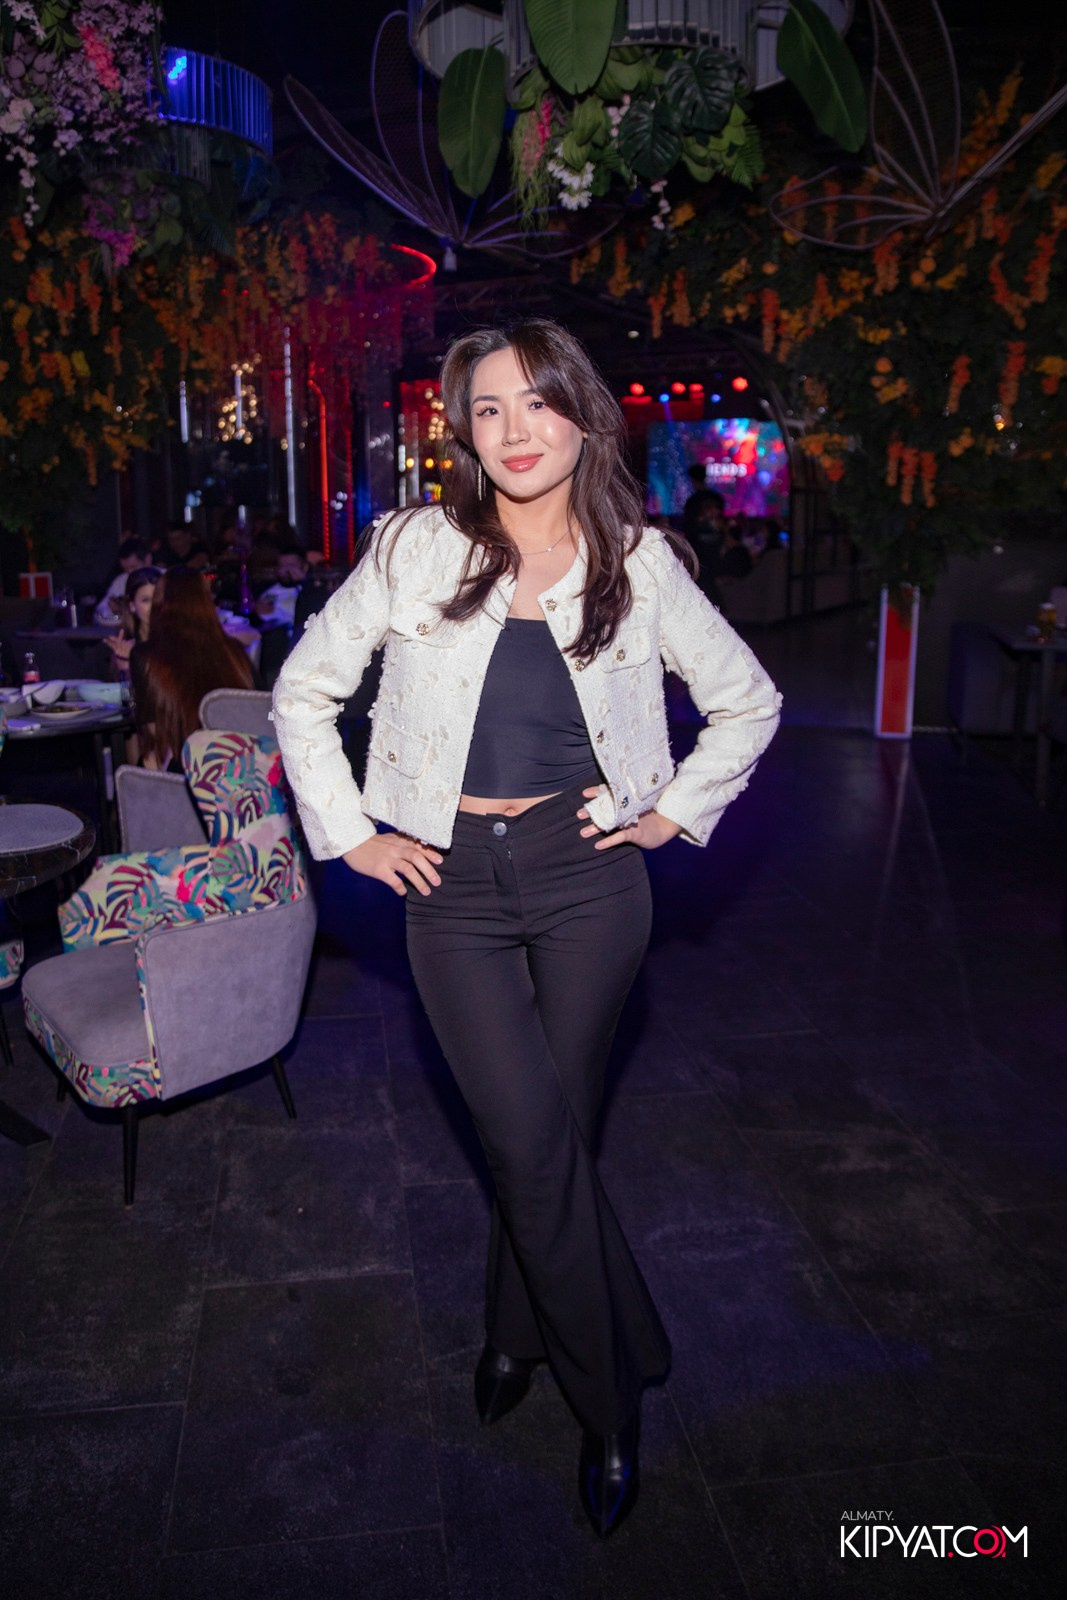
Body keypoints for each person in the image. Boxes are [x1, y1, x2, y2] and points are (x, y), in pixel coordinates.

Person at [272, 320, 780, 1538]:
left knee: (547, 1133)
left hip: (588, 881)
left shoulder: (637, 561)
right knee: (530, 1134)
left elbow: (746, 701)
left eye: (537, 403)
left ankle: (515, 1332)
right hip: (448, 886)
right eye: (488, 408)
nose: (513, 430)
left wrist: (667, 815)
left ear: (582, 417)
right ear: (463, 429)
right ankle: (612, 1392)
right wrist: (349, 835)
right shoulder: (413, 547)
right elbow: (302, 690)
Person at [131, 566, 254, 771]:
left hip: (189, 767)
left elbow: (154, 728)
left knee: (144, 762)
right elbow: (259, 704)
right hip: (243, 763)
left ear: (161, 603)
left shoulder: (146, 655)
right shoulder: (233, 650)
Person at [102, 565, 161, 675]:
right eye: (146, 600)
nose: (155, 606)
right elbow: (125, 687)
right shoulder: (126, 646)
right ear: (132, 605)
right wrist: (126, 669)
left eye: (158, 598)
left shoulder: (177, 639)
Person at [93, 537, 152, 624]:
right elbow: (100, 611)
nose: (129, 572)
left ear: (147, 560)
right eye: (125, 568)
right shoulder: (121, 580)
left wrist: (125, 611)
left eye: (133, 567)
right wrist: (112, 609)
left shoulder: (165, 579)